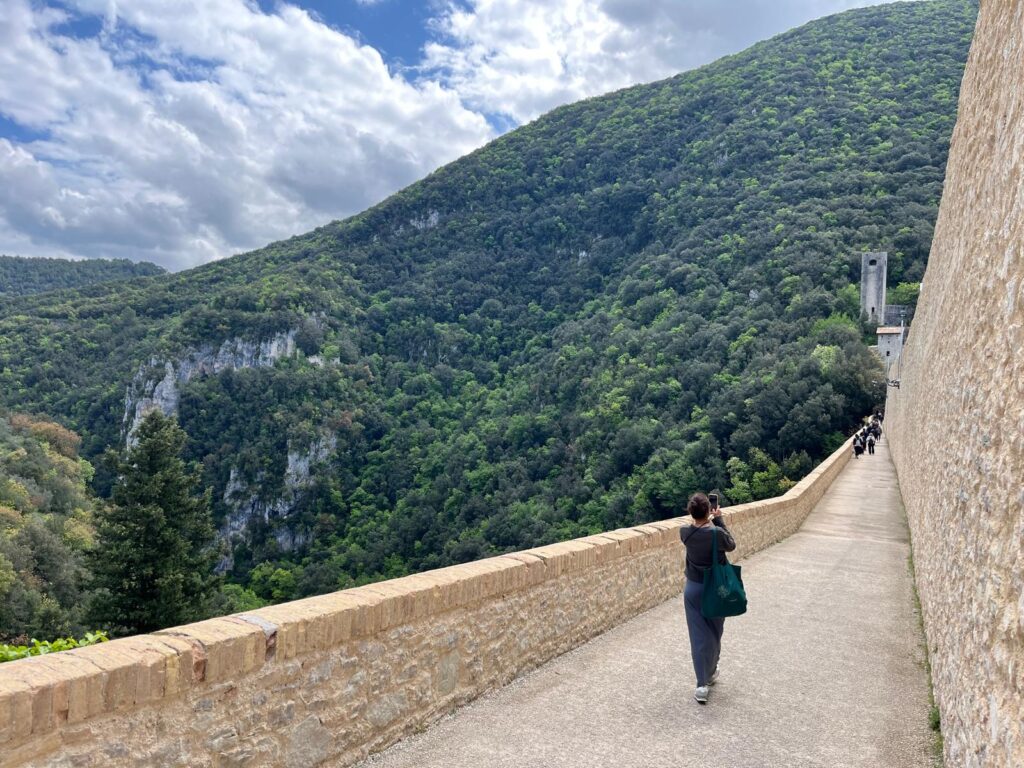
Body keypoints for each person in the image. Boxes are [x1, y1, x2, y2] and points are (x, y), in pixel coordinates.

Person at [680, 492, 737, 704]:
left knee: (698, 635)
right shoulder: (716, 534)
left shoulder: (684, 532)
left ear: (690, 512)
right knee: (714, 632)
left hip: (693, 589)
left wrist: (702, 518)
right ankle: (709, 675)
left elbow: (694, 526)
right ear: (708, 510)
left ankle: (702, 682)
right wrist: (719, 519)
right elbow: (731, 545)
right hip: (716, 589)